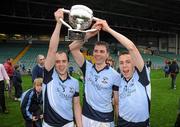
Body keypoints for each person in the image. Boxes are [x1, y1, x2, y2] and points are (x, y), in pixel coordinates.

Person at [94, 20, 151, 127]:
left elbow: (131, 48)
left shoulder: (142, 76)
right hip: (121, 123)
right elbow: (117, 103)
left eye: (128, 62)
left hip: (141, 124)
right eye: (121, 63)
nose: (124, 65)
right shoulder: (119, 79)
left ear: (134, 63)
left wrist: (108, 29)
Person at [69, 21, 120, 126]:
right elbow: (72, 48)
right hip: (86, 116)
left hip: (105, 119)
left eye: (102, 51)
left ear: (107, 55)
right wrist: (90, 33)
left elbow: (116, 102)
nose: (98, 54)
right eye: (96, 51)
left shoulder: (115, 75)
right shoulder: (86, 67)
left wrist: (117, 122)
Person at [42, 9, 82, 127]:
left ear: (68, 63)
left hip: (68, 124)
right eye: (57, 61)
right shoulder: (49, 76)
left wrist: (79, 125)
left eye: (64, 61)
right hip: (49, 124)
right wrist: (59, 23)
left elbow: (76, 104)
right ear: (54, 63)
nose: (61, 64)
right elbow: (52, 50)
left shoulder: (74, 82)